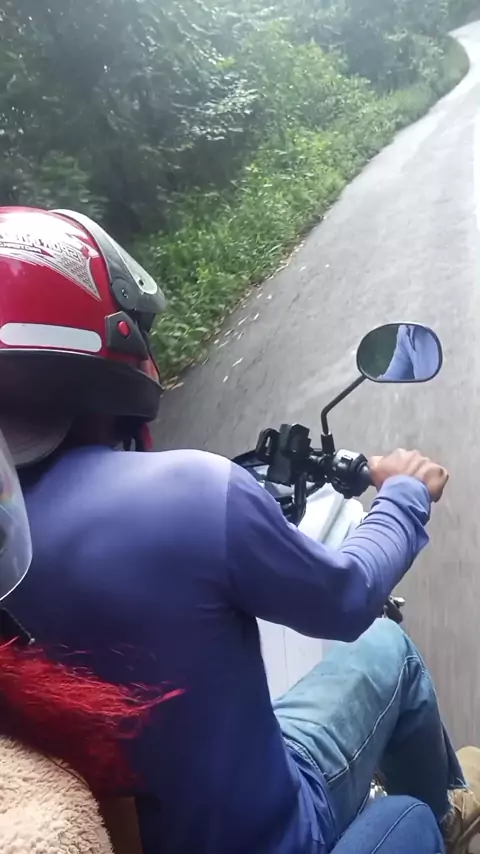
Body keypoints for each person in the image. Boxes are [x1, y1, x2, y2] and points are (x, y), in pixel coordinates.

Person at [0, 206, 477, 854]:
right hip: (277, 834)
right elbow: (349, 598)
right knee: (394, 703)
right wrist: (404, 493)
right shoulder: (192, 494)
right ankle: (444, 819)